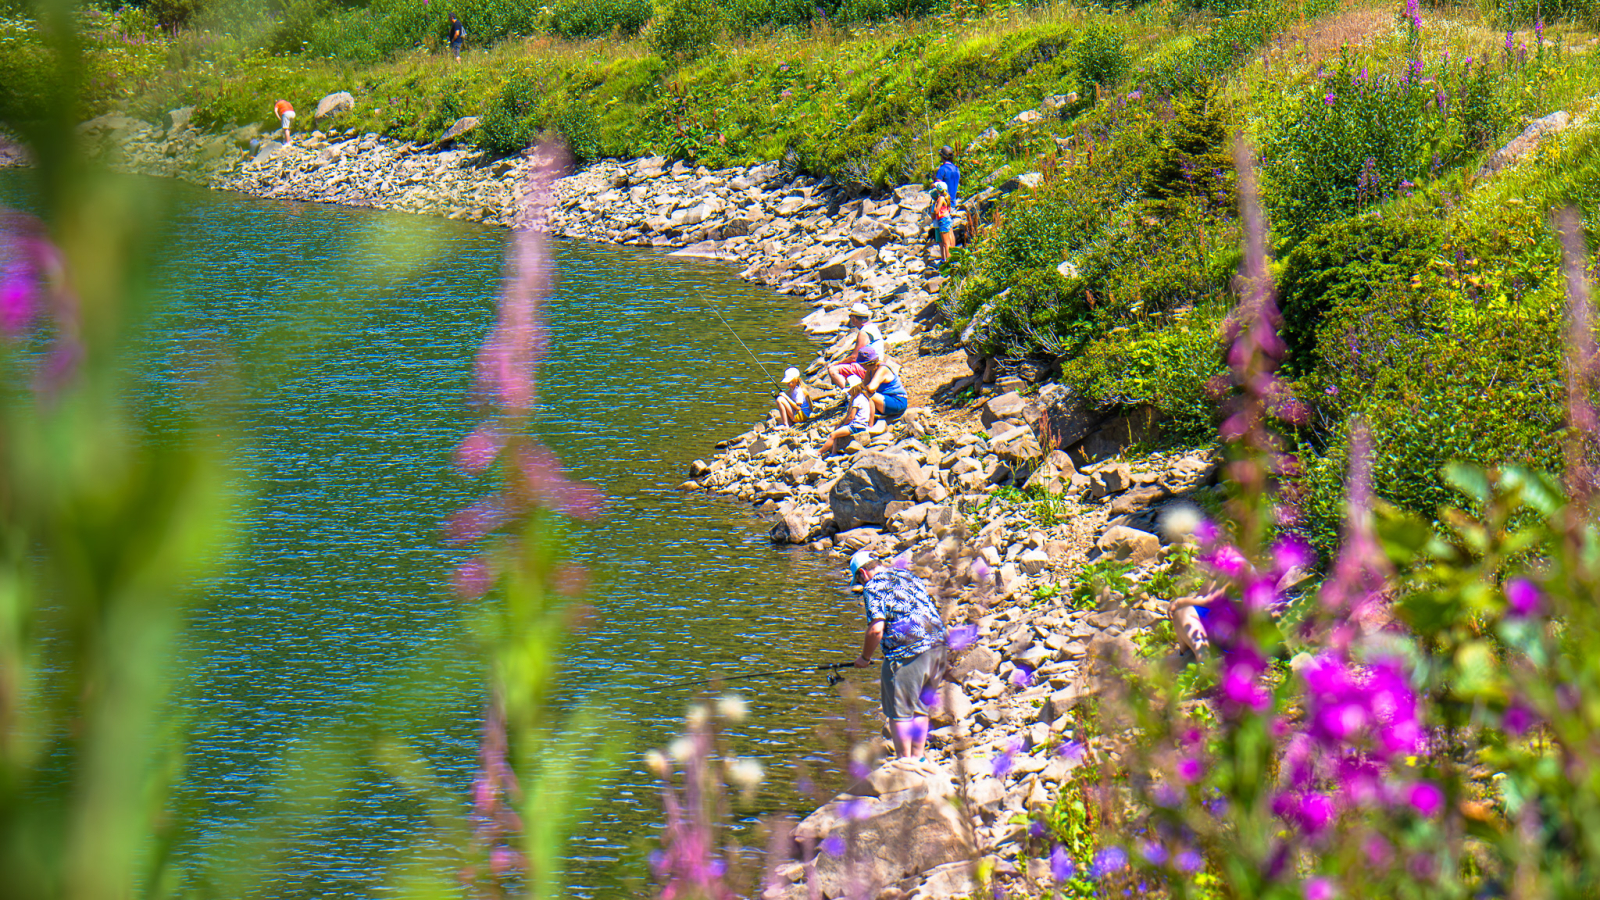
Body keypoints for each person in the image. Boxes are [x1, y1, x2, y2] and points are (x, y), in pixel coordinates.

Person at [848, 550, 948, 760]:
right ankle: (919, 759)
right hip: (939, 645)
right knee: (920, 709)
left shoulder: (873, 587)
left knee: (899, 711)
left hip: (909, 651)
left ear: (864, 573)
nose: (860, 584)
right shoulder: (908, 575)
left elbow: (876, 630)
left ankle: (904, 762)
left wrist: (864, 658)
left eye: (858, 579)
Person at [825, 302, 885, 391]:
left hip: (869, 367)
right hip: (877, 365)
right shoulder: (873, 327)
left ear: (855, 319)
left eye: (850, 317)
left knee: (833, 370)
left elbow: (855, 357)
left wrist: (837, 363)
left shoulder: (863, 333)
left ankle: (850, 393)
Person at [820, 374, 873, 456]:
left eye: (850, 390)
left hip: (856, 426)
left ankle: (819, 452)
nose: (848, 392)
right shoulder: (864, 397)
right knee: (836, 429)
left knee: (832, 435)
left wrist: (844, 424)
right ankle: (833, 452)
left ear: (854, 388)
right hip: (863, 424)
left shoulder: (856, 400)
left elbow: (851, 416)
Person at [857, 343, 908, 421]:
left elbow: (870, 388)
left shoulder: (882, 369)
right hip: (885, 399)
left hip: (897, 401)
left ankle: (870, 422)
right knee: (860, 394)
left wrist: (861, 388)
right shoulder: (870, 370)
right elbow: (864, 385)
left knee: (866, 394)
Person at [931, 182, 955, 265]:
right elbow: (949, 209)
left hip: (943, 220)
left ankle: (948, 262)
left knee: (945, 243)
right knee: (950, 240)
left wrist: (934, 205)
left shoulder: (941, 198)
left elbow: (936, 211)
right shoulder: (947, 196)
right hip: (947, 218)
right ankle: (952, 258)